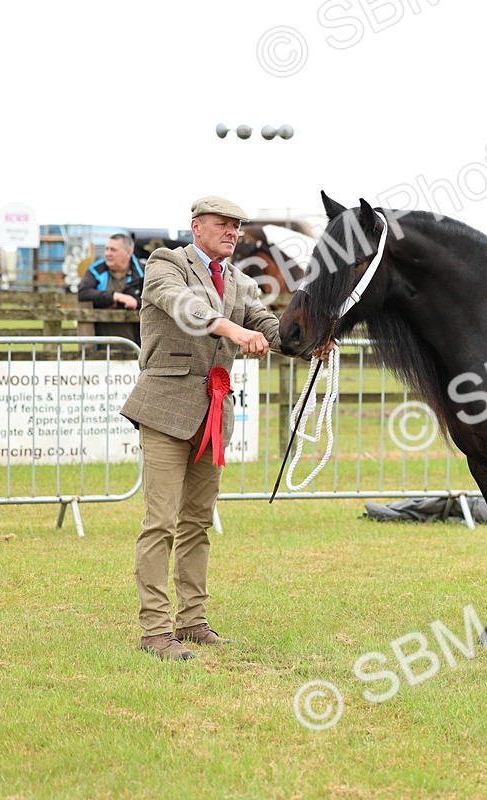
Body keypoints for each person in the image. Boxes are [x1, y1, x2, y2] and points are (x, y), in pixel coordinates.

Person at [120, 196, 330, 661]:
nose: (233, 232)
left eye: (237, 226)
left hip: (213, 415)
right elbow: (184, 307)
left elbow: (270, 329)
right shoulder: (164, 264)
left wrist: (309, 340)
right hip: (165, 409)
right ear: (197, 227)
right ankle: (155, 631)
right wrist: (232, 332)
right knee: (161, 522)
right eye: (223, 224)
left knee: (197, 523)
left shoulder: (240, 282)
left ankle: (192, 621)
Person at [76, 233, 144, 344]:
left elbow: (155, 300)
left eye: (113, 250)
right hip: (101, 346)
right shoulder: (96, 269)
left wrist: (136, 302)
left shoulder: (144, 272)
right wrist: (115, 297)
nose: (108, 253)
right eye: (106, 249)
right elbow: (83, 293)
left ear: (128, 252)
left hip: (138, 345)